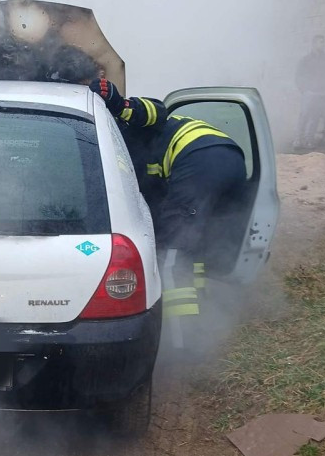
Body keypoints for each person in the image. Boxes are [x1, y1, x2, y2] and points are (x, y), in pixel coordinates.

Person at [89, 78, 246, 339]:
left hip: (196, 160)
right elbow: (155, 200)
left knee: (170, 254)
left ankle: (183, 341)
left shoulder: (126, 130)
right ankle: (206, 310)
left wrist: (118, 102)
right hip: (233, 158)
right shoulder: (134, 143)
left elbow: (157, 109)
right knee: (196, 246)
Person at [294, 35, 325, 149]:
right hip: (309, 92)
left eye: (323, 42)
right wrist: (304, 90)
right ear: (314, 44)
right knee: (304, 116)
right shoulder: (306, 60)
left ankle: (309, 140)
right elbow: (298, 76)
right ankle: (298, 139)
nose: (322, 45)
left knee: (315, 118)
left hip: (321, 93)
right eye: (320, 42)